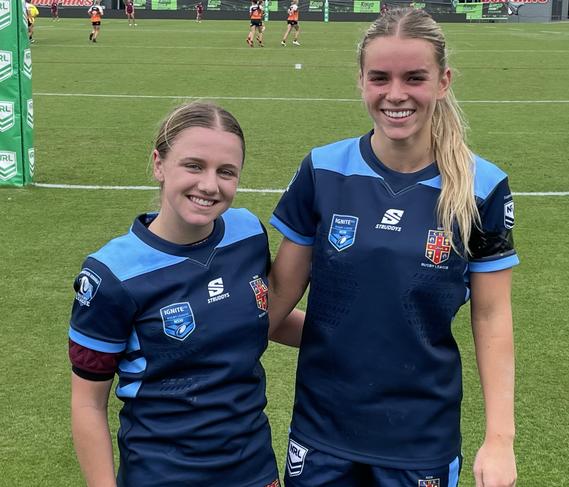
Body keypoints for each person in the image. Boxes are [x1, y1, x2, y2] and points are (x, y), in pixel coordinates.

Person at [269, 8, 518, 487]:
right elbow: (277, 301)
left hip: (420, 439)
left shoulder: (482, 186)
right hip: (322, 432)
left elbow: (491, 317)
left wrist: (500, 439)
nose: (396, 94)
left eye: (415, 78)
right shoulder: (323, 170)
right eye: (380, 77)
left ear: (443, 81)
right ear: (361, 81)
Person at [69, 101, 303, 487]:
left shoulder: (247, 233)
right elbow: (88, 404)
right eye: (194, 165)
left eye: (226, 172)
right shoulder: (111, 274)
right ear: (159, 164)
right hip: (163, 475)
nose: (209, 185)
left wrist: (356, 336)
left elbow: (260, 317)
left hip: (254, 469)